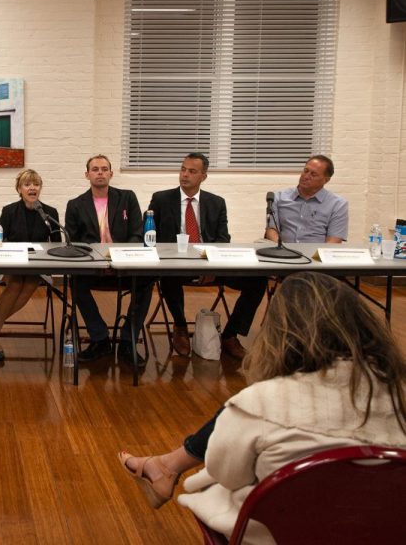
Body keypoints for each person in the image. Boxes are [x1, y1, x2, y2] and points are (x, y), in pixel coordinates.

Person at [117, 272, 406, 543]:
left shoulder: (259, 403)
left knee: (220, 477)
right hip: (382, 531)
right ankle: (164, 466)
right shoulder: (399, 394)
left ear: (281, 334)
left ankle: (164, 467)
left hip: (281, 532)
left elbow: (226, 473)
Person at [146, 153, 266, 360]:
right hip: (176, 264)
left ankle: (230, 335)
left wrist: (212, 267)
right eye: (183, 169)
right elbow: (149, 235)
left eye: (192, 171)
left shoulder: (216, 202)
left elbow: (222, 238)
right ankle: (180, 326)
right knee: (167, 277)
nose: (185, 175)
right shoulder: (161, 199)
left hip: (210, 264)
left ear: (204, 176)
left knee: (257, 280)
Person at [64, 154, 146, 367]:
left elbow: (137, 234)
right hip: (93, 269)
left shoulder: (128, 198)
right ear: (87, 175)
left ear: (111, 173)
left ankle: (128, 341)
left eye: (103, 169)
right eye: (95, 169)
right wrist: (97, 261)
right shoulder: (75, 205)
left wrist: (120, 259)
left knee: (147, 283)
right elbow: (72, 243)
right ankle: (100, 339)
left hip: (124, 266)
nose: (99, 172)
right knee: (76, 282)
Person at [0, 169, 60, 361]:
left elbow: (57, 244)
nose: (32, 188)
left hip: (37, 266)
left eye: (36, 184)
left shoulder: (50, 213)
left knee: (29, 284)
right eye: (27, 185)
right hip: (12, 263)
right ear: (19, 189)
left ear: (40, 188)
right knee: (15, 284)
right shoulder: (9, 211)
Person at [265, 154, 348, 243]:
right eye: (305, 171)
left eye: (313, 174)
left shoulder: (337, 204)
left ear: (326, 180)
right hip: (284, 252)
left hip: (315, 255)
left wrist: (315, 256)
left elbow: (334, 241)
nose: (306, 176)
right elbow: (271, 230)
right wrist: (281, 250)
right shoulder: (278, 197)